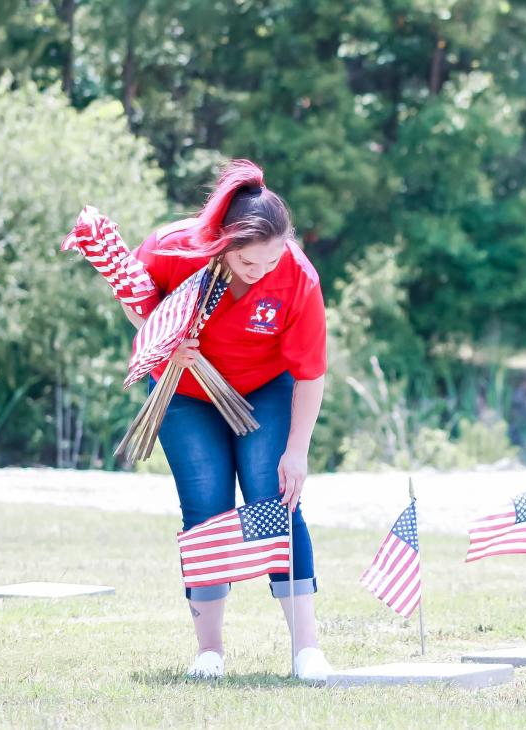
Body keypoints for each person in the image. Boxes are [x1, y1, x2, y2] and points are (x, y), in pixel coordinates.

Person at [121, 159, 333, 681]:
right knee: (206, 508)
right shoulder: (174, 247)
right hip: (185, 393)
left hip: (265, 391)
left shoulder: (299, 278)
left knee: (275, 499)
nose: (261, 269)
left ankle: (306, 649)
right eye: (248, 260)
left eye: (273, 258)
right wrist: (165, 339)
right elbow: (133, 300)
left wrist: (297, 451)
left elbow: (310, 374)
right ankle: (209, 651)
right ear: (222, 240)